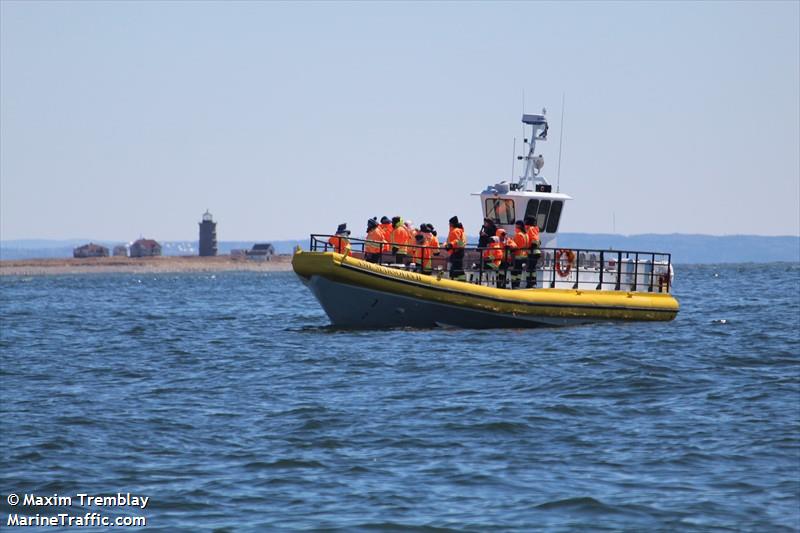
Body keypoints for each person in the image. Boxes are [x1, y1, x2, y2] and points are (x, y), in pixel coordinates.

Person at [445, 216, 466, 281]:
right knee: (457, 267)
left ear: (452, 223)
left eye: (450, 223)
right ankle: (460, 280)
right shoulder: (457, 230)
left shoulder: (455, 231)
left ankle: (458, 281)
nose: (449, 224)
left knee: (456, 268)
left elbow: (457, 241)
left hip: (457, 251)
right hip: (457, 251)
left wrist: (451, 245)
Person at [510, 220, 530, 288]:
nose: (515, 227)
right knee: (519, 272)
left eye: (516, 225)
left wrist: (511, 241)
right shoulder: (526, 234)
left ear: (518, 226)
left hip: (518, 256)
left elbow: (516, 246)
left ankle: (514, 285)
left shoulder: (518, 235)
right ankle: (517, 284)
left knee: (515, 272)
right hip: (524, 255)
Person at [525, 216, 542, 288]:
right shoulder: (535, 229)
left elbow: (534, 240)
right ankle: (532, 282)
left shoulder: (530, 229)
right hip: (536, 251)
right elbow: (538, 241)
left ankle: (530, 283)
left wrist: (531, 246)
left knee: (530, 268)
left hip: (533, 251)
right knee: (532, 268)